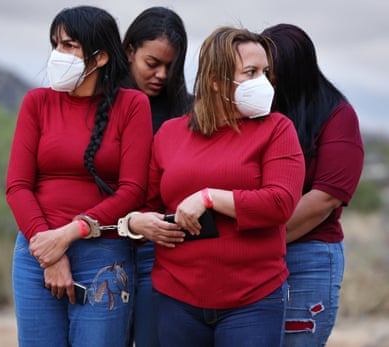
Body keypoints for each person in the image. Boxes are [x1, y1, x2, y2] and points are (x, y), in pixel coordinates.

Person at [125, 26, 306, 347]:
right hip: (175, 298)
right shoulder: (168, 133)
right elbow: (146, 204)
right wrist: (137, 223)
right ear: (215, 80)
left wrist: (210, 198)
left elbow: (281, 203)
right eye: (251, 72)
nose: (262, 82)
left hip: (253, 300)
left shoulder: (278, 129)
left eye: (266, 72)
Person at [5, 6, 153, 347]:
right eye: (55, 44)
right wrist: (50, 251)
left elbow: (133, 190)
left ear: (99, 58)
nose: (59, 54)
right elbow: (17, 186)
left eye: (69, 45)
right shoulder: (37, 103)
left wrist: (71, 233)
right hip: (36, 252)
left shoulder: (132, 106)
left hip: (103, 254)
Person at [261, 23, 364, 346]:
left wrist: (262, 240)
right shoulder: (262, 111)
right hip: (255, 257)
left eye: (271, 72)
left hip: (308, 255)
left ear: (295, 71)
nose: (265, 80)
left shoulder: (337, 115)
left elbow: (324, 199)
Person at [121, 7, 192, 347]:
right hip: (105, 242)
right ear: (129, 50)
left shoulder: (189, 112)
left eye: (171, 66)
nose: (162, 74)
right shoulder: (104, 104)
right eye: (152, 64)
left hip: (161, 249)